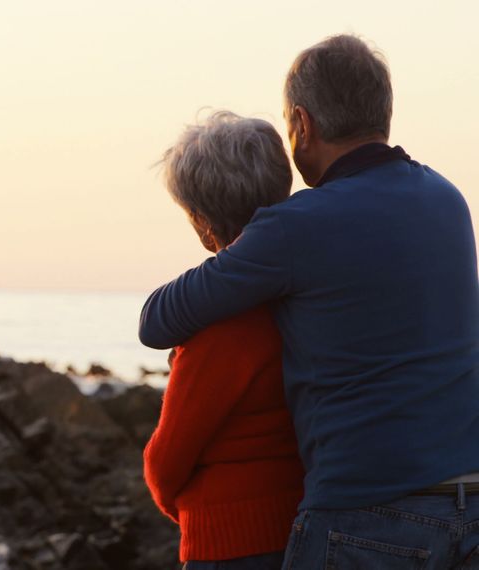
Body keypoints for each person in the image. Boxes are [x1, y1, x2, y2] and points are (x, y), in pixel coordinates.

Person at [140, 34, 479, 568]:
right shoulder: (447, 200)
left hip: (368, 514)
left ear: (302, 123)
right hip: (467, 507)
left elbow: (158, 320)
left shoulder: (298, 227)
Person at [143, 111, 305, 569]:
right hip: (307, 527)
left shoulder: (217, 326)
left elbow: (168, 460)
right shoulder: (311, 298)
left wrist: (187, 509)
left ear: (202, 222)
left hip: (231, 541)